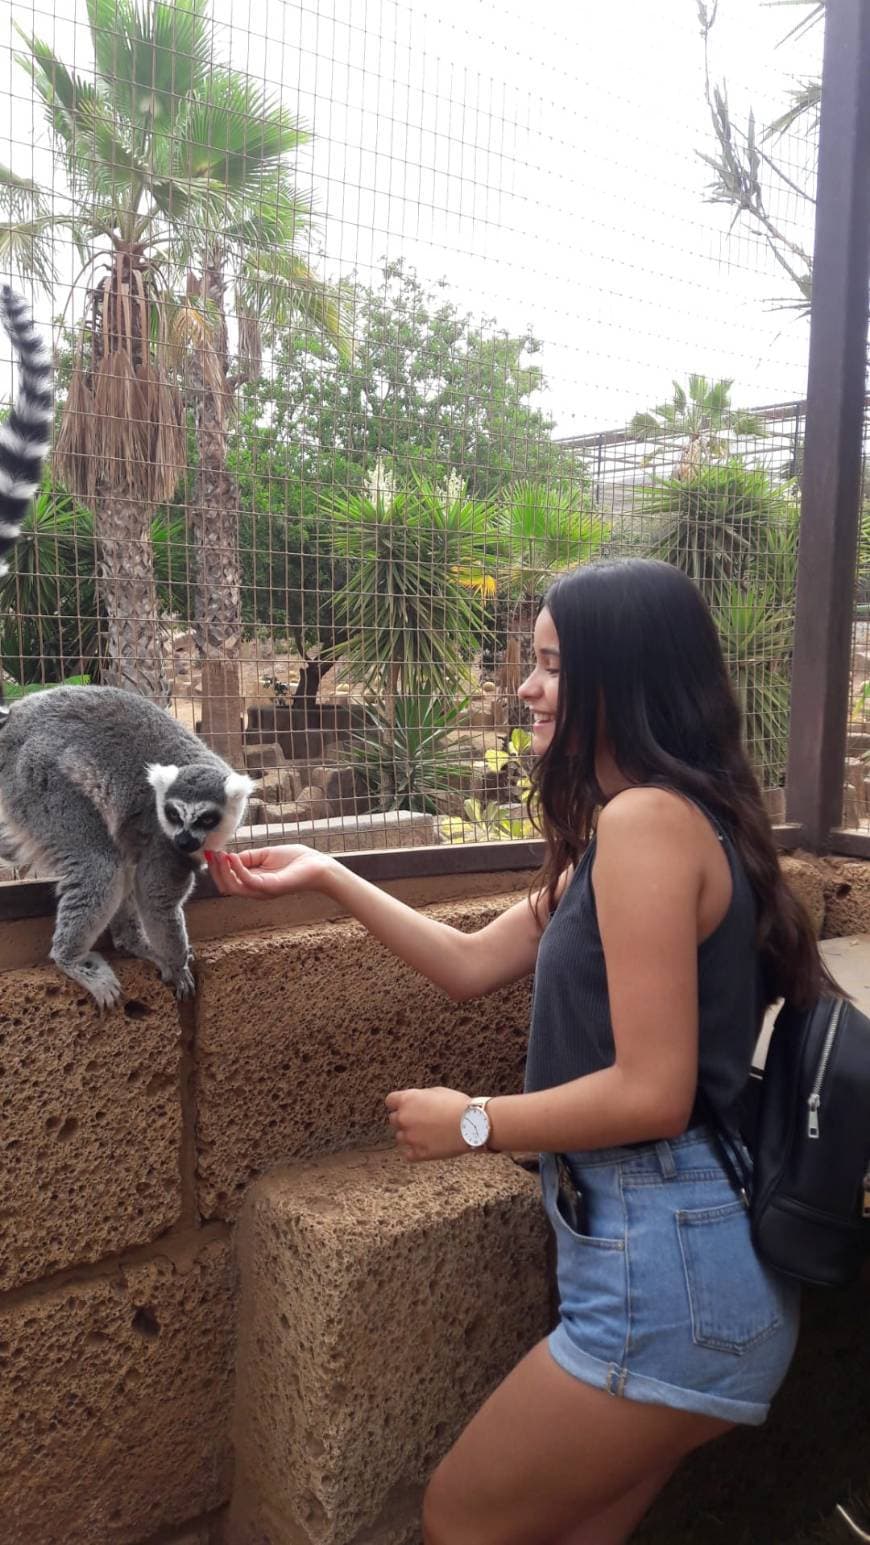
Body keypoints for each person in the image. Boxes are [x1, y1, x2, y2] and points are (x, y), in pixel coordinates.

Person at [208, 558, 828, 1545]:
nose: (525, 689)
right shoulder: (635, 832)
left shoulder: (648, 827)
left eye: (549, 667)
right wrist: (330, 872)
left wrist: (472, 1122)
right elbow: (465, 963)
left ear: (620, 681)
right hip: (681, 1272)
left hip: (664, 1279)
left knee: (460, 1515)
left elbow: (654, 1093)